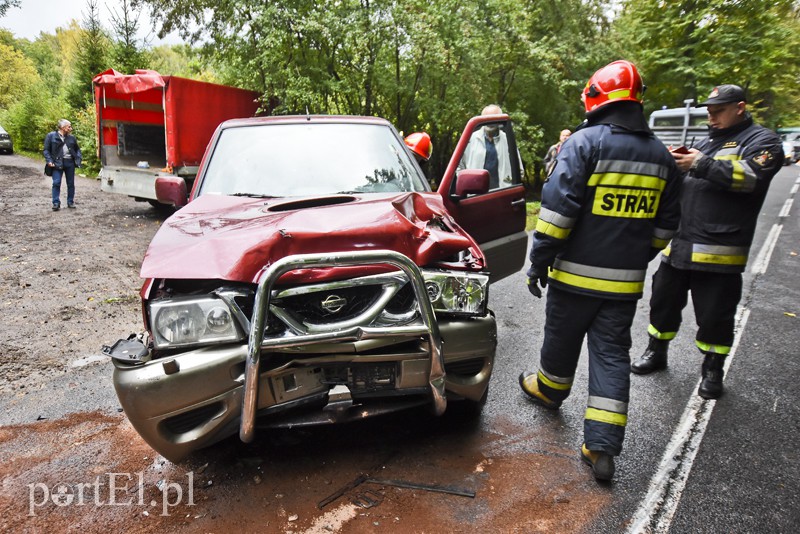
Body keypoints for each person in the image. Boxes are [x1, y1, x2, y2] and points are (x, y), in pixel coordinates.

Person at [518, 60, 682, 481]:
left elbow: (556, 216)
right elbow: (666, 227)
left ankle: (550, 390)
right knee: (611, 354)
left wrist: (538, 261)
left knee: (561, 334)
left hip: (574, 276)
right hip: (624, 283)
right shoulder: (662, 157)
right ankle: (601, 446)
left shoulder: (583, 144)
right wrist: (632, 256)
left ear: (595, 98)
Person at [630, 84, 783, 400]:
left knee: (715, 316)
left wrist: (699, 163)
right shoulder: (706, 141)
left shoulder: (763, 141)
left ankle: (713, 369)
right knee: (662, 304)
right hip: (680, 245)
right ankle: (656, 352)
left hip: (719, 253)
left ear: (739, 108)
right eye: (709, 112)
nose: (710, 117)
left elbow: (752, 177)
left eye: (718, 111)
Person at [459, 104, 519, 188]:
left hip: (503, 194)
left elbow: (519, 170)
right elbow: (459, 168)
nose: (490, 123)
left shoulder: (507, 139)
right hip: (475, 196)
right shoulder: (469, 139)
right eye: (487, 119)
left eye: (493, 119)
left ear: (499, 120)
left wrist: (510, 185)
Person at [44, 119, 82, 211]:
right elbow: (46, 150)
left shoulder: (72, 138)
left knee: (70, 184)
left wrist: (78, 159)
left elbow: (77, 150)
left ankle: (70, 202)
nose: (70, 128)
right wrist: (49, 161)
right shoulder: (51, 136)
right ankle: (56, 203)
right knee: (56, 183)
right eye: (69, 126)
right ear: (62, 127)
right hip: (56, 163)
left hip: (70, 163)